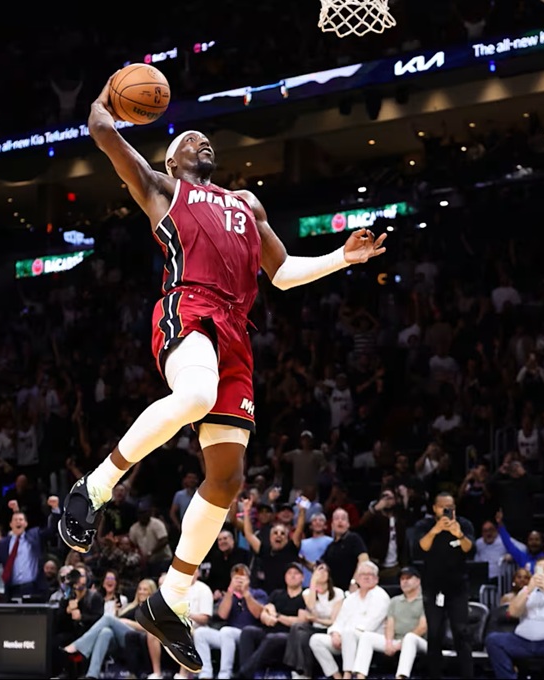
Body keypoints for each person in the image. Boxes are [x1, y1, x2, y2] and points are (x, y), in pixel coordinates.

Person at [58, 74, 387, 673]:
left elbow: (282, 274)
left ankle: (172, 598)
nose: (201, 142)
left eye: (207, 139)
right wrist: (107, 92)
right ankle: (96, 487)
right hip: (189, 306)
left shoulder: (245, 204)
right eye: (189, 138)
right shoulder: (162, 190)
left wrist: (344, 255)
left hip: (237, 330)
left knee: (229, 478)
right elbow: (103, 131)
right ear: (170, 157)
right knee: (197, 391)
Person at [414, 492, 475, 679]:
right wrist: (436, 530)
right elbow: (421, 547)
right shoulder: (424, 525)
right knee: (434, 633)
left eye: (451, 507)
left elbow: (470, 549)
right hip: (433, 588)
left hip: (457, 588)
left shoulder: (464, 524)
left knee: (461, 632)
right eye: (443, 507)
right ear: (434, 508)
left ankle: (467, 675)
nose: (447, 511)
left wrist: (459, 535)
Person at [310, 562, 390, 679]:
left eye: (370, 574)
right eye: (362, 574)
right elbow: (339, 621)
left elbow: (370, 624)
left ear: (376, 579)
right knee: (315, 640)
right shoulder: (351, 598)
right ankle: (336, 675)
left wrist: (344, 635)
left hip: (368, 638)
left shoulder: (381, 596)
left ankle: (347, 674)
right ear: (357, 578)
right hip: (345, 640)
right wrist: (335, 633)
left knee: (349, 632)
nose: (366, 577)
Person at [0, 497, 63, 601]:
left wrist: (55, 509)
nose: (18, 522)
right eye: (15, 520)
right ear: (11, 524)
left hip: (34, 588)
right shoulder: (3, 544)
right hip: (12, 589)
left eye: (21, 520)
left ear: (25, 524)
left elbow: (51, 531)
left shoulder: (35, 535)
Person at [351, 566, 428, 680]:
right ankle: (360, 676)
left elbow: (422, 627)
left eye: (408, 578)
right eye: (402, 579)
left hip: (420, 642)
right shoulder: (395, 601)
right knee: (367, 636)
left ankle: (401, 677)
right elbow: (390, 625)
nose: (404, 582)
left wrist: (400, 644)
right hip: (396, 640)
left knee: (410, 637)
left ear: (418, 581)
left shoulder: (425, 601)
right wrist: (388, 643)